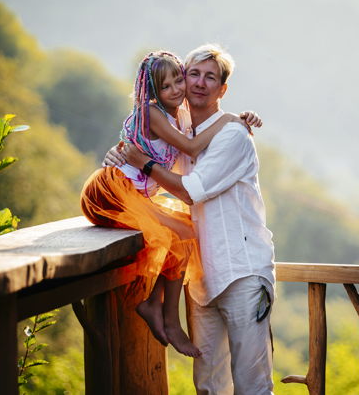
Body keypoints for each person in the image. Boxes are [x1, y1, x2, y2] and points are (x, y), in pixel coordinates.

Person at [111, 44, 275, 395]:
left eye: (210, 77)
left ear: (222, 89)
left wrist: (144, 164)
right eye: (193, 74)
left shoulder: (232, 135)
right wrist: (121, 153)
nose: (200, 83)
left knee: (252, 386)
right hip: (201, 281)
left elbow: (190, 191)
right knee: (209, 386)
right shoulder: (181, 130)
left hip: (242, 274)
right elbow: (144, 142)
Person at [81, 50, 261, 358]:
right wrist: (229, 119)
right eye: (167, 86)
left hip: (133, 191)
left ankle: (156, 304)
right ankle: (168, 318)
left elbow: (183, 140)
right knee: (180, 234)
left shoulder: (179, 116)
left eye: (179, 80)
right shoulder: (152, 112)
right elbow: (191, 147)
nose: (177, 89)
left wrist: (242, 117)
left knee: (185, 230)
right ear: (154, 91)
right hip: (112, 189)